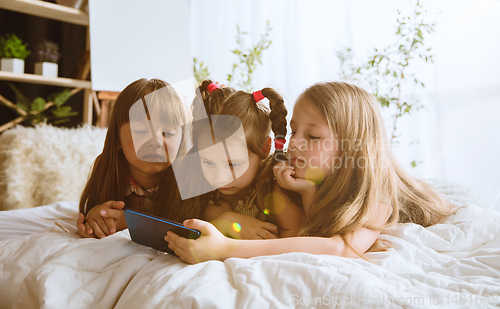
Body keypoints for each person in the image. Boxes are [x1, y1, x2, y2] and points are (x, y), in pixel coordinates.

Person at [164, 81, 458, 262]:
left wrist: (225, 249)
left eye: (312, 137)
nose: (294, 145)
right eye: (293, 132)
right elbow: (311, 224)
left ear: (352, 147)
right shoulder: (298, 172)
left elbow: (339, 249)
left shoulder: (376, 196)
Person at [175, 80, 304, 240]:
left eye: (233, 164)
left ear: (264, 149)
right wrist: (221, 221)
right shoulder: (199, 183)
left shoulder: (273, 191)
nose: (220, 178)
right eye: (209, 162)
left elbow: (297, 239)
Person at [76, 78, 192, 238]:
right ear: (117, 138)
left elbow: (191, 230)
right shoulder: (108, 169)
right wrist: (97, 218)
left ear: (182, 139)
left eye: (169, 133)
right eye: (141, 131)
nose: (156, 142)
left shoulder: (189, 177)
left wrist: (132, 223)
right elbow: (95, 212)